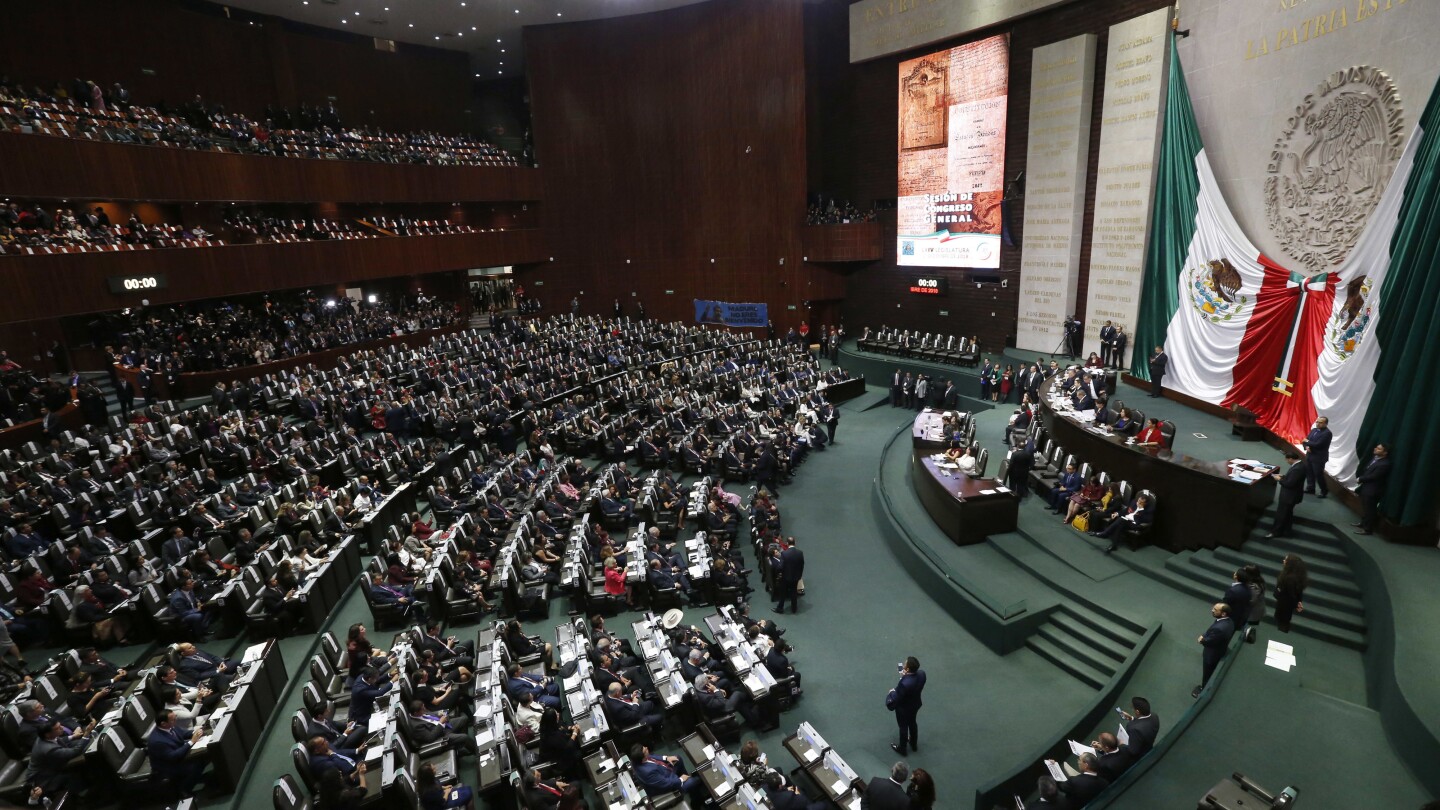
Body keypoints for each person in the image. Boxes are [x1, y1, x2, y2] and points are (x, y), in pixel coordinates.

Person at [147, 710, 207, 796]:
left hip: (178, 755)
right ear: (164, 724)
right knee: (195, 764)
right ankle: (185, 789)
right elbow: (173, 756)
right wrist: (191, 742)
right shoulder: (157, 741)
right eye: (173, 720)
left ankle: (197, 777)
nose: (175, 720)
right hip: (167, 766)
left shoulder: (170, 726)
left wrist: (195, 732)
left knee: (201, 757)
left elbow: (183, 733)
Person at [631, 743, 705, 800]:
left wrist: (667, 758)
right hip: (667, 787)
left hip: (665, 772)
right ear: (642, 757)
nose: (647, 748)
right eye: (645, 750)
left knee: (677, 758)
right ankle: (695, 799)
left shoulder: (638, 760)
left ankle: (686, 780)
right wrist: (681, 779)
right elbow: (665, 784)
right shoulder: (647, 773)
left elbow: (651, 756)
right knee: (695, 780)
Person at [1194, 603, 1236, 698]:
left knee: (1207, 673)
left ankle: (1203, 691)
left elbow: (1209, 641)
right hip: (1221, 648)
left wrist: (1202, 639)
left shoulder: (1219, 628)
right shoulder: (1229, 621)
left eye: (1215, 609)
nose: (1212, 610)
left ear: (1223, 613)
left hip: (1212, 655)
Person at [888, 656, 925, 756]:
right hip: (915, 704)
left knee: (903, 727)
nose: (903, 665)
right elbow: (913, 683)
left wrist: (892, 692)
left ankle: (902, 749)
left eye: (905, 664)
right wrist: (906, 676)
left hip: (904, 708)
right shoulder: (922, 674)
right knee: (912, 723)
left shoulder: (904, 683)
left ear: (908, 669)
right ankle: (913, 744)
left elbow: (897, 696)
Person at [1353, 443, 1390, 534]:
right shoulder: (1375, 459)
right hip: (1366, 487)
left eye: (1379, 449)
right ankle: (1363, 523)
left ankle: (1367, 529)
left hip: (1373, 490)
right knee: (1365, 507)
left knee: (1370, 510)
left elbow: (1374, 476)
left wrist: (1360, 479)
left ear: (1385, 453)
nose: (1375, 449)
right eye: (1376, 447)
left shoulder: (1384, 464)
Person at [1267, 452, 1306, 539]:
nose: (1286, 461)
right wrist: (1284, 476)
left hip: (1289, 497)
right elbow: (1294, 479)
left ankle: (1275, 532)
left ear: (1291, 459)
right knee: (1287, 514)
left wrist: (1279, 480)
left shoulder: (1297, 469)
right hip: (1293, 496)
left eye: (1287, 459)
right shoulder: (1301, 465)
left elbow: (1289, 484)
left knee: (1281, 515)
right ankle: (1286, 531)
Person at [1274, 554, 1308, 633]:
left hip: (1285, 605)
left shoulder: (1290, 578)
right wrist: (1298, 602)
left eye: (1285, 560)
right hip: (1285, 604)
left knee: (1283, 622)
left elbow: (1291, 595)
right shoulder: (1294, 575)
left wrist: (1297, 604)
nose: (1283, 561)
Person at [1301, 416, 1332, 498]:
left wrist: (1307, 442)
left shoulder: (1327, 433)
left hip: (1319, 458)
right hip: (1309, 455)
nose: (1318, 423)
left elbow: (1318, 444)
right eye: (1317, 422)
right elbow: (1304, 440)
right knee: (1309, 472)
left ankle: (1324, 491)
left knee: (1318, 474)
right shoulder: (1314, 430)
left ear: (1326, 424)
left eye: (1320, 422)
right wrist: (1306, 447)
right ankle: (1310, 488)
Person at [774, 537, 804, 615]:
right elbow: (802, 565)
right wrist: (799, 575)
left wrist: (778, 573)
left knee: (783, 592)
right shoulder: (800, 553)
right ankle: (794, 608)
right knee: (794, 592)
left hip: (786, 577)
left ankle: (780, 608)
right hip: (796, 577)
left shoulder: (784, 553)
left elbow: (780, 567)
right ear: (795, 543)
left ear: (787, 543)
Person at [1242, 564, 1266, 644]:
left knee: (1246, 624)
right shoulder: (1258, 581)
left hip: (1253, 611)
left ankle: (1246, 635)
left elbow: (1251, 601)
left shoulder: (1254, 587)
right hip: (1255, 609)